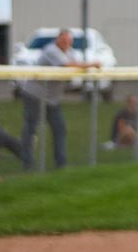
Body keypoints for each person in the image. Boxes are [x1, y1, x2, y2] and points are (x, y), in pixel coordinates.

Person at [19, 29, 99, 170]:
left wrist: (86, 66)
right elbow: (67, 65)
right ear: (57, 39)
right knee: (30, 128)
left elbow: (75, 64)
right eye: (63, 40)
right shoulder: (51, 50)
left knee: (59, 128)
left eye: (68, 41)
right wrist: (91, 64)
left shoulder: (70, 52)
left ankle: (60, 163)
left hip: (51, 99)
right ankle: (27, 162)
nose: (65, 43)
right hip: (34, 95)